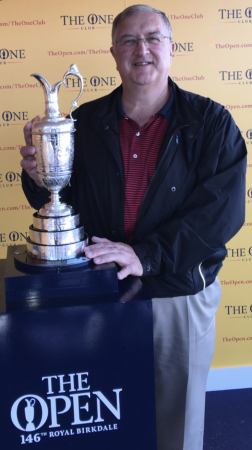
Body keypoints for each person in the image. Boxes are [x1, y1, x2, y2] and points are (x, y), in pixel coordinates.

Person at [20, 5, 247, 450]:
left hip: (177, 295)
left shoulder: (212, 122)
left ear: (171, 48)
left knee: (175, 426)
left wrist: (146, 256)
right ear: (113, 53)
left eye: (152, 38)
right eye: (128, 40)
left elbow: (219, 214)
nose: (141, 49)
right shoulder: (81, 121)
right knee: (102, 421)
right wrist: (37, 177)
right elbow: (64, 200)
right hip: (101, 295)